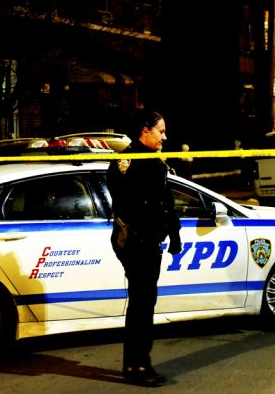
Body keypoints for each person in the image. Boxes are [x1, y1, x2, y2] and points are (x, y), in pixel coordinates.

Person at [107, 110, 181, 387]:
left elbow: (164, 201)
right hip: (138, 240)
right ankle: (138, 366)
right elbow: (142, 204)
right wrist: (163, 231)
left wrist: (173, 233)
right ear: (145, 131)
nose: (165, 137)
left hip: (141, 238)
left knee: (142, 301)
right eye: (160, 131)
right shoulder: (132, 162)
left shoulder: (146, 160)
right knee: (142, 303)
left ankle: (135, 363)